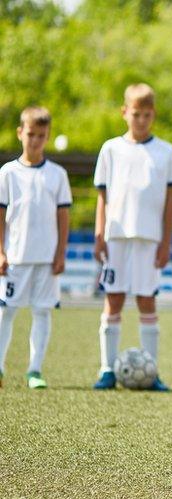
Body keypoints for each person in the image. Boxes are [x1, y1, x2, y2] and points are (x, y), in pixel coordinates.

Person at [92, 83, 172, 391]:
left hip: (149, 239)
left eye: (146, 114)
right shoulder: (110, 149)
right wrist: (99, 233)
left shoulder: (166, 152)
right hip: (116, 237)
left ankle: (152, 372)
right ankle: (107, 369)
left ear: (153, 115)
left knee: (146, 301)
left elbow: (170, 201)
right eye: (135, 113)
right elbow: (102, 196)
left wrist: (166, 241)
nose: (140, 119)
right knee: (113, 299)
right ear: (124, 112)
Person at [0, 107, 71, 389]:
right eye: (31, 134)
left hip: (46, 258)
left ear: (48, 137)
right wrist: (1, 251)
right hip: (15, 257)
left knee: (42, 312)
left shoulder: (57, 175)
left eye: (41, 136)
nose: (35, 140)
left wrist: (60, 253)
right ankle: (0, 368)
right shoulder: (7, 173)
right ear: (20, 133)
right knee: (6, 311)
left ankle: (34, 370)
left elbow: (63, 216)